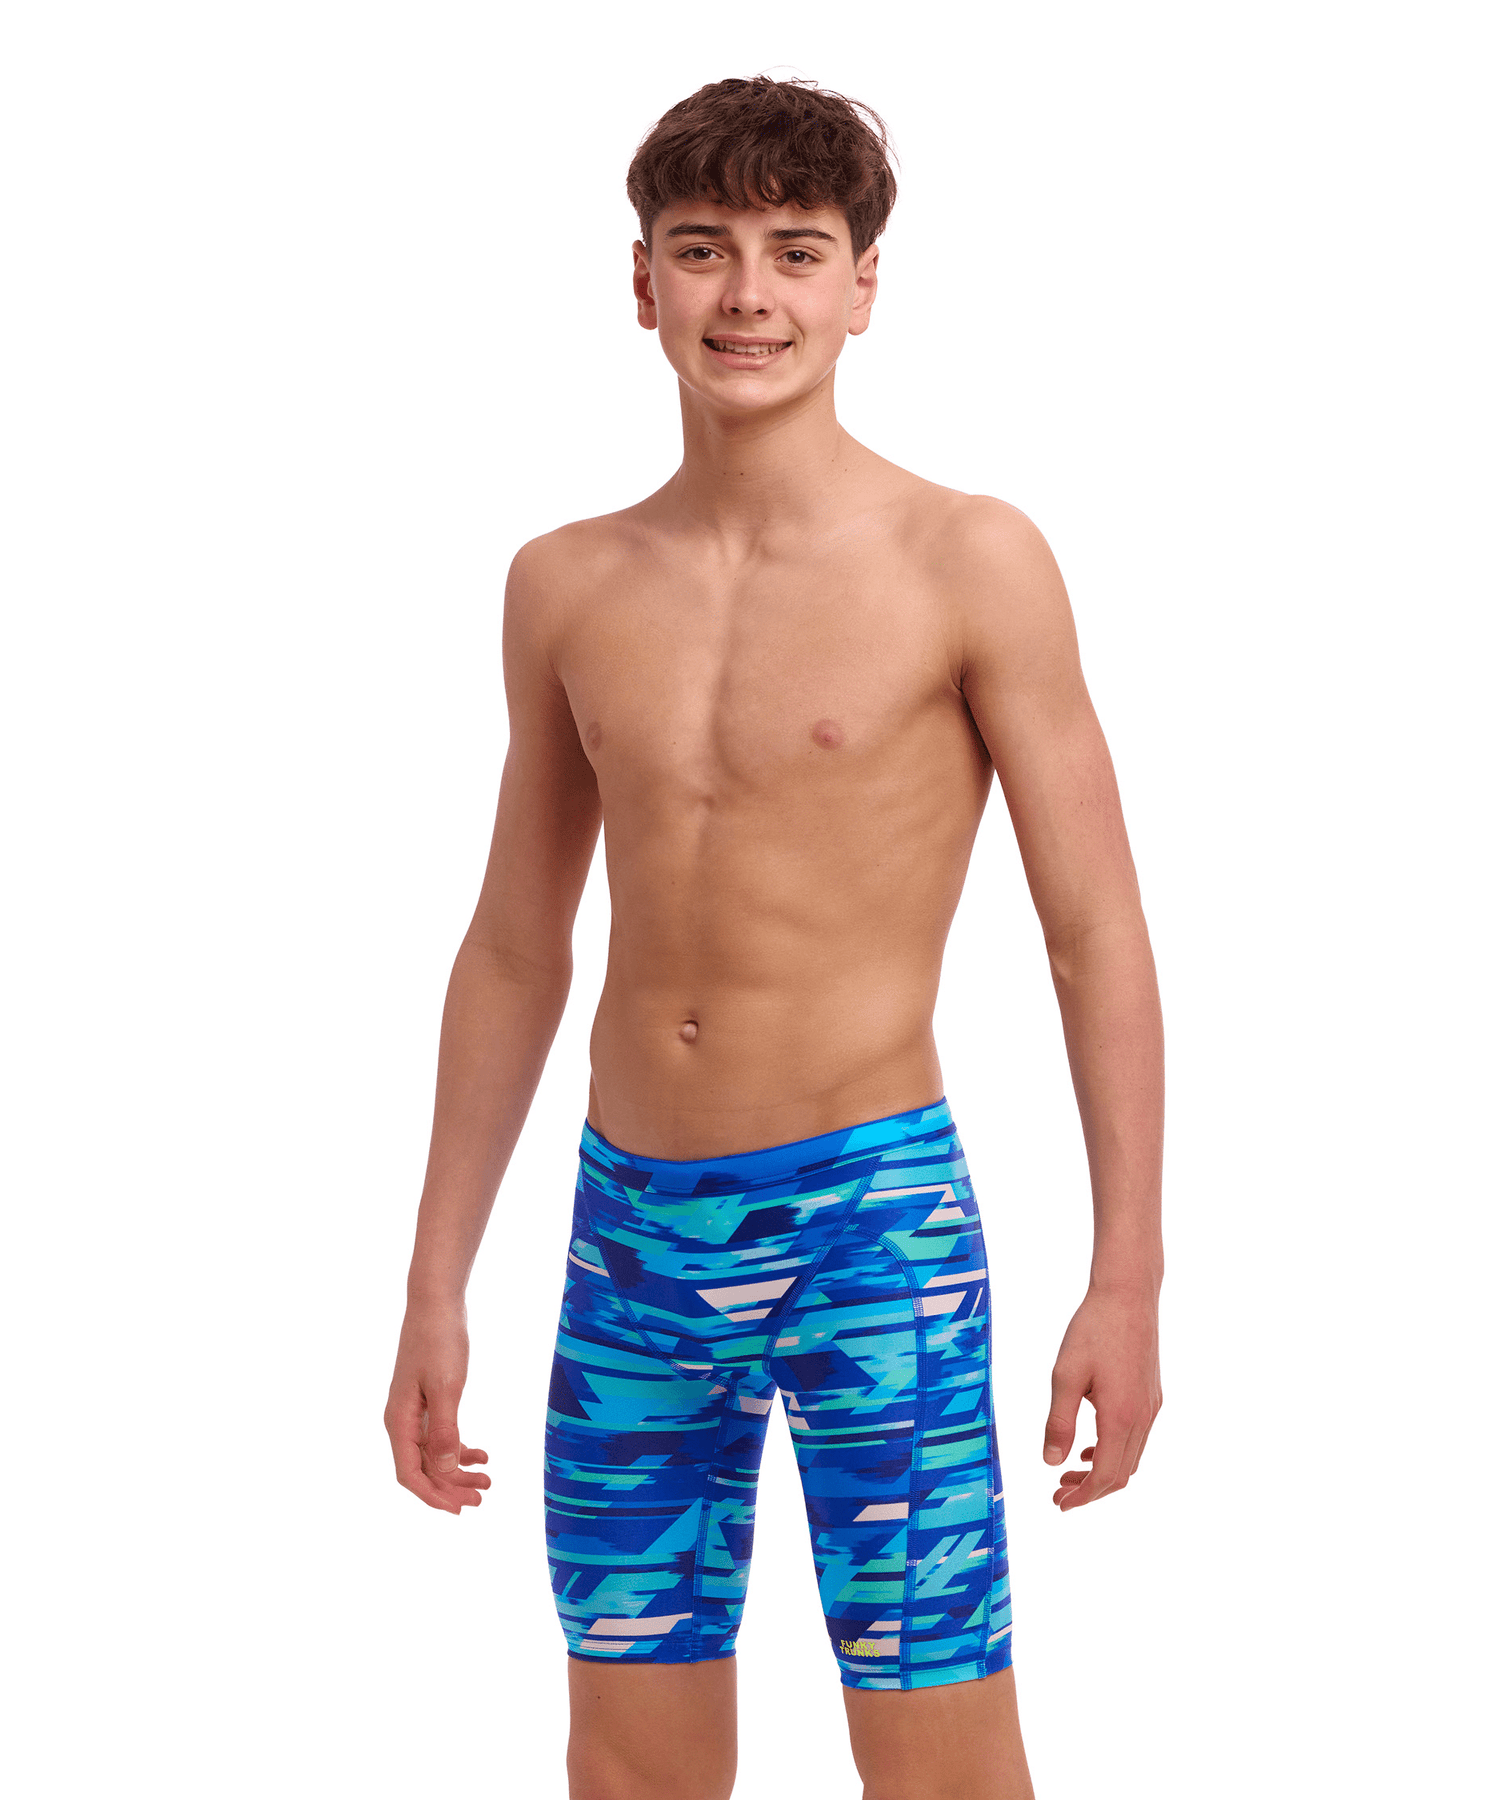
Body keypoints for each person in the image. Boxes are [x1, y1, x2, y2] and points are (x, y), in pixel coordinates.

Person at [384, 75, 1164, 1800]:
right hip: (628, 1242)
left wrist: (1128, 1275)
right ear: (641, 281)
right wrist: (435, 1279)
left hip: (869, 1227)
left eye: (796, 251)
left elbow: (1095, 931)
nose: (748, 294)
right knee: (630, 1764)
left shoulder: (969, 559)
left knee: (940, 1761)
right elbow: (514, 946)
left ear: (863, 286)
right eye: (703, 248)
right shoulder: (566, 582)